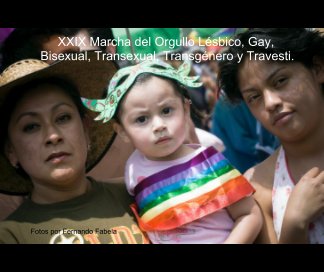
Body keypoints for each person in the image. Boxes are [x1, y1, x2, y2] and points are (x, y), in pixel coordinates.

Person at [82, 59, 262, 244]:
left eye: (166, 110)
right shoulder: (132, 170)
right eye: (142, 119)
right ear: (121, 130)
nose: (159, 125)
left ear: (185, 108)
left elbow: (249, 214)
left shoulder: (209, 162)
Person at [0, 51, 148, 244]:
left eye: (63, 118)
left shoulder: (138, 193)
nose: (52, 136)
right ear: (10, 150)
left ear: (85, 128)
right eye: (31, 127)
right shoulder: (11, 236)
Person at [218, 28, 324, 243]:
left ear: (317, 68)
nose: (270, 102)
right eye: (254, 96)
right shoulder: (259, 187)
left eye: (280, 81)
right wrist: (294, 224)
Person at [212, 93, 279, 172]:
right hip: (238, 166)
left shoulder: (246, 98)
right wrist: (270, 151)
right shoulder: (226, 104)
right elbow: (239, 141)